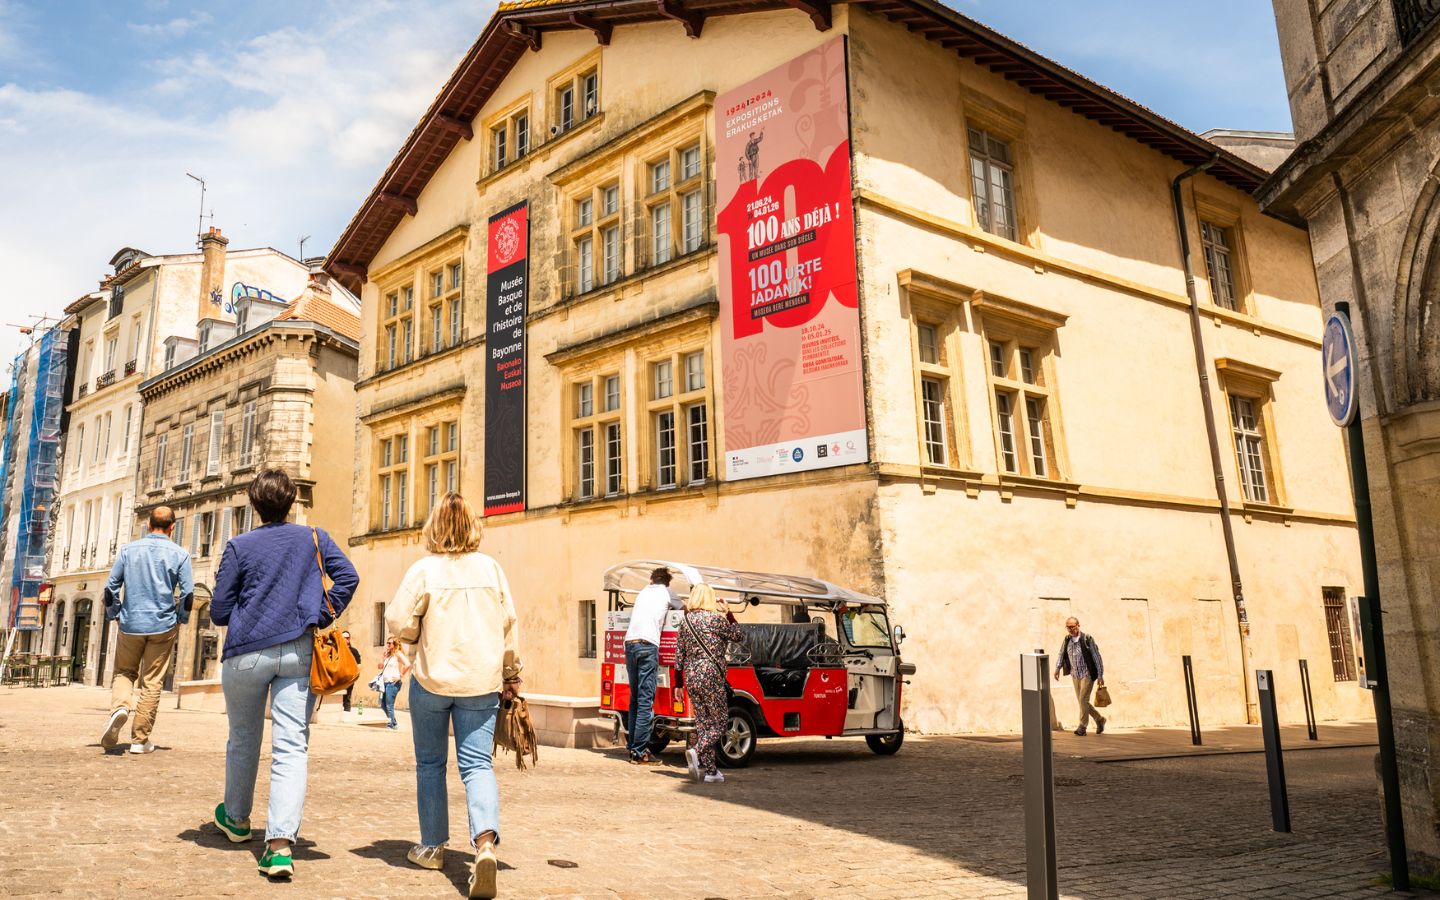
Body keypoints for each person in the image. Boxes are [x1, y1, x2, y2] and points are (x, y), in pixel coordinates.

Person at [208, 469, 360, 880]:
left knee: (243, 739)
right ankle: (278, 848)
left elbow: (219, 611)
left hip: (245, 653)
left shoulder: (238, 546)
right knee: (291, 746)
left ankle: (236, 819)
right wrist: (320, 613)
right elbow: (348, 577)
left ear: (254, 504)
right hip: (297, 650)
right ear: (292, 502)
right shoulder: (314, 538)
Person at [385, 492, 522, 899]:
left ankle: (432, 847)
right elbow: (509, 625)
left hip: (432, 681)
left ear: (435, 527)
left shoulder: (424, 570)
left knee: (430, 764)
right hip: (480, 682)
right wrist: (512, 674)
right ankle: (485, 845)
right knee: (477, 765)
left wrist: (413, 635)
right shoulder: (491, 568)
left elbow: (397, 619)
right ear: (472, 527)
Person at [99, 505, 194, 754]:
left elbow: (110, 588)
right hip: (163, 625)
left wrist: (115, 614)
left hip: (131, 623)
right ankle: (139, 740)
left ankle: (120, 708)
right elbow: (188, 594)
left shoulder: (128, 550)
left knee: (124, 672)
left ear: (149, 525)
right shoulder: (180, 554)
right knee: (152, 682)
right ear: (172, 527)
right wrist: (180, 619)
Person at [675, 584, 743, 783]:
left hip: (691, 676)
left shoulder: (685, 621)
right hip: (711, 675)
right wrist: (728, 612)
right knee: (720, 723)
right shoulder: (716, 619)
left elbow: (679, 655)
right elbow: (738, 635)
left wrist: (677, 684)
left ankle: (711, 772)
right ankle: (696, 751)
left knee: (704, 724)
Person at [622, 566, 680, 764]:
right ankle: (640, 752)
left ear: (651, 580)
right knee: (646, 701)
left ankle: (633, 748)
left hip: (630, 644)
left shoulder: (643, 592)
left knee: (635, 700)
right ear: (667, 582)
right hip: (648, 645)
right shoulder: (667, 592)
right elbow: (685, 610)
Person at [1053, 616, 1106, 736]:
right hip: (1075, 674)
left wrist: (1100, 675)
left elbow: (1096, 657)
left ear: (1078, 625)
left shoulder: (1087, 639)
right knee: (1082, 702)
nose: (1070, 629)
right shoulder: (1067, 639)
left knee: (1083, 700)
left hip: (1087, 674)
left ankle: (1082, 727)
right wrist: (1057, 668)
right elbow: (1061, 654)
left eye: (1072, 626)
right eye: (1068, 627)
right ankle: (1099, 719)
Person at [378, 637, 411, 729]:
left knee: (389, 705)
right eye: (387, 643)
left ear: (394, 645)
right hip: (384, 683)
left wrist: (400, 676)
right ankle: (393, 722)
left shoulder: (398, 654)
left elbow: (407, 664)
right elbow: (379, 667)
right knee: (383, 705)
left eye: (390, 643)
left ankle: (392, 724)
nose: (387, 645)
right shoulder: (387, 654)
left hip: (392, 683)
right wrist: (382, 656)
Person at [341, 631, 362, 712]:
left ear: (349, 639)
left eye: (347, 638)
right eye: (343, 638)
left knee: (347, 697)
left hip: (349, 677)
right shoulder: (337, 649)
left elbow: (358, 665)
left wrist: (354, 677)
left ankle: (346, 712)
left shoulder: (354, 651)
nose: (345, 639)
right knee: (337, 696)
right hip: (339, 677)